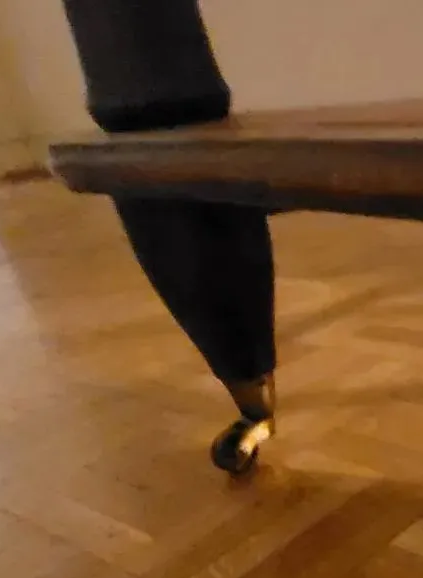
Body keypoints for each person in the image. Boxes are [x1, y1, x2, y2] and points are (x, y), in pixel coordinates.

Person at [62, 0, 277, 473]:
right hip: (138, 104)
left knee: (150, 104)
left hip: (163, 98)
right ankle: (249, 394)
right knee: (138, 109)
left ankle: (250, 392)